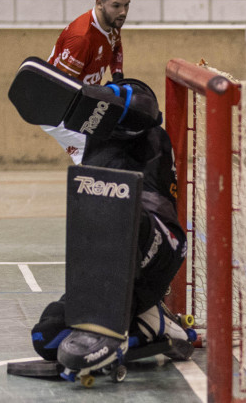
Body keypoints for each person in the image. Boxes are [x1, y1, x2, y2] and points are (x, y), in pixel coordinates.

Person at [29, 79, 192, 366]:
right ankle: (149, 324)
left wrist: (96, 95)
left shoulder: (149, 131)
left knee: (121, 214)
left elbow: (143, 105)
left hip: (161, 240)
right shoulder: (89, 139)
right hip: (111, 259)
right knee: (46, 336)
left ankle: (146, 321)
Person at [42, 0, 132, 164]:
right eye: (117, 5)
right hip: (55, 108)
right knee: (96, 155)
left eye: (126, 5)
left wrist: (118, 78)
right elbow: (62, 89)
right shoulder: (81, 39)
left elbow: (116, 47)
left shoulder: (112, 21)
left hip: (83, 99)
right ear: (99, 3)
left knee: (108, 147)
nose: (123, 12)